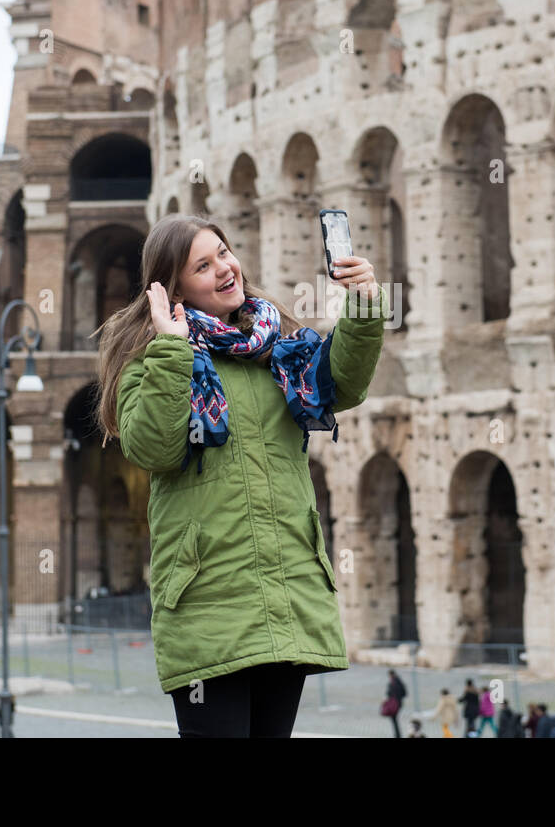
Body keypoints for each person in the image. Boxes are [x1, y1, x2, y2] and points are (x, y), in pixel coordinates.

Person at [97, 214, 386, 738]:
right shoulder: (152, 359)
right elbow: (154, 448)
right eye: (202, 266)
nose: (224, 269)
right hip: (208, 603)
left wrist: (365, 304)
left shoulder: (276, 345)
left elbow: (340, 384)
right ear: (173, 287)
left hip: (287, 592)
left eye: (223, 253)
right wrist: (172, 349)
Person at [385, 669, 407, 738]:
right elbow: (404, 693)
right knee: (394, 719)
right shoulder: (399, 681)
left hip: (394, 704)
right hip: (398, 703)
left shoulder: (394, 683)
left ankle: (397, 735)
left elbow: (389, 693)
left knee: (394, 719)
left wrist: (395, 697)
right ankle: (397, 734)